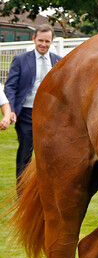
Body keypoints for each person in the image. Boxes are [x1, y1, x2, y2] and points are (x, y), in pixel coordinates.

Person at [4, 25, 63, 179]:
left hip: (51, 114)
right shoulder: (21, 60)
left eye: (47, 41)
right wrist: (10, 109)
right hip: (26, 112)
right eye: (40, 40)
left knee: (51, 153)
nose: (43, 44)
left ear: (52, 42)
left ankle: (47, 190)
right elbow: (11, 86)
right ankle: (22, 191)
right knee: (26, 151)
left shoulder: (58, 61)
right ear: (34, 39)